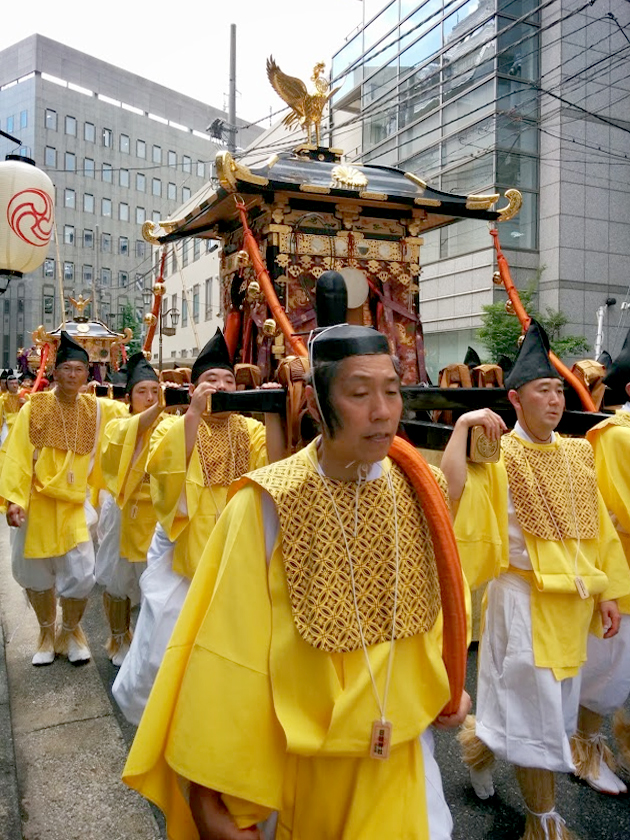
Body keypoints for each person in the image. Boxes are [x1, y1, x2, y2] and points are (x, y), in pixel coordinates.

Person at [122, 323, 471, 840]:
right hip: (302, 768)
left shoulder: (424, 487)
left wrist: (452, 680)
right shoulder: (265, 504)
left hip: (405, 761)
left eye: (392, 391)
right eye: (358, 393)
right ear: (318, 402)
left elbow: (447, 599)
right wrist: (207, 788)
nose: (382, 411)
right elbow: (227, 653)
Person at [440, 320, 630, 840]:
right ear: (515, 399)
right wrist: (461, 429)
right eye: (541, 390)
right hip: (520, 599)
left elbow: (600, 532)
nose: (552, 400)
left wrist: (609, 593)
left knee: (551, 712)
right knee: (538, 716)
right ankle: (544, 822)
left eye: (556, 390)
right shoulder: (496, 453)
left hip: (571, 607)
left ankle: (480, 747)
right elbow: (449, 495)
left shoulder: (576, 452)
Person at [113, 328, 285, 723]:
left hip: (235, 550)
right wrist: (192, 414)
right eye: (211, 380)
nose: (221, 386)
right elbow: (164, 473)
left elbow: (275, 467)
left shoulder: (249, 429)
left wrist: (274, 410)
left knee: (232, 640)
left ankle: (214, 709)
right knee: (166, 643)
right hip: (183, 553)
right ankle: (163, 710)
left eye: (227, 380)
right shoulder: (173, 426)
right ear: (193, 387)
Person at [0, 331, 127, 666]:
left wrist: (157, 399)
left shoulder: (96, 410)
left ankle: (70, 632)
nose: (72, 375)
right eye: (67, 369)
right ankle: (45, 633)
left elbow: (130, 422)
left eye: (79, 370)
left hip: (74, 504)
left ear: (88, 374)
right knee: (34, 571)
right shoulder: (35, 408)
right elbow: (16, 453)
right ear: (55, 372)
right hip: (37, 502)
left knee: (83, 572)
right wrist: (15, 499)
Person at [571, 328, 630, 793]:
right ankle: (587, 751)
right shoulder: (614, 437)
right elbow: (614, 513)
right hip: (620, 577)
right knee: (604, 676)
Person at [96, 352, 162, 666]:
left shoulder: (170, 425)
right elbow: (123, 443)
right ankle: (119, 638)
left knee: (157, 584)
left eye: (155, 391)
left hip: (159, 518)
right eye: (142, 392)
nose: (150, 398)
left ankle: (152, 643)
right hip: (125, 514)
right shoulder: (118, 427)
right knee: (118, 580)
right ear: (129, 397)